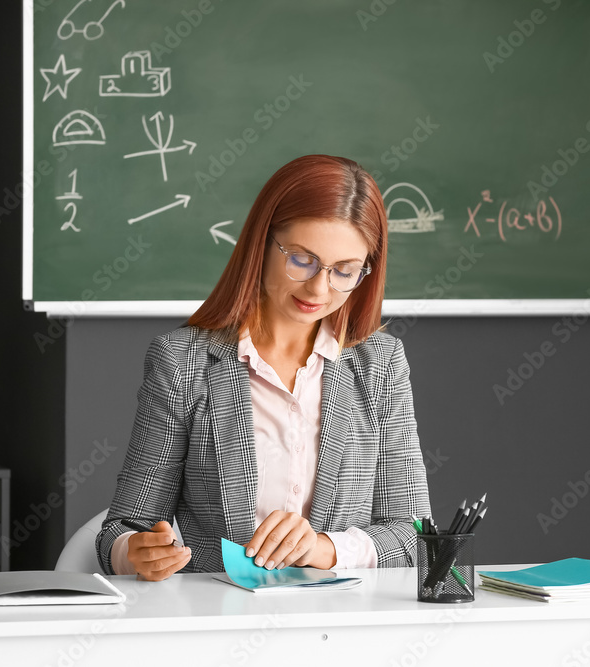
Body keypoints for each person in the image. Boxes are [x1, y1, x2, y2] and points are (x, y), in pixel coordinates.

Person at [95, 154, 431, 580]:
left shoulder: (381, 366)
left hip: (344, 626)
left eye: (344, 271)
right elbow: (122, 528)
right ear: (263, 242)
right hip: (219, 621)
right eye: (302, 260)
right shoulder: (182, 362)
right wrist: (134, 553)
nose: (318, 287)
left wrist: (323, 547)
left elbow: (416, 536)